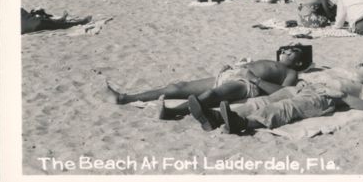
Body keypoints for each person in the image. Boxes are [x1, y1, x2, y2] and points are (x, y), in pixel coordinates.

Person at [107, 46, 312, 125]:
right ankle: (126, 97)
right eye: (285, 48)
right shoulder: (272, 60)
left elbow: (284, 93)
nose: (286, 50)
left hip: (247, 84)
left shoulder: (291, 72)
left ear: (299, 62)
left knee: (214, 94)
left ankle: (173, 112)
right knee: (178, 87)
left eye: (292, 51)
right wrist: (232, 67)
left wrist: (255, 79)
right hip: (232, 74)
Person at [192, 62, 363, 134]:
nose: (358, 67)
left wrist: (342, 95)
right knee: (262, 101)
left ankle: (242, 123)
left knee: (286, 107)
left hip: (324, 98)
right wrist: (302, 83)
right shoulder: (341, 72)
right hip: (305, 88)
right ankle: (217, 118)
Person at [21, 8, 91, 34]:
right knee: (60, 26)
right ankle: (81, 22)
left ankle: (61, 20)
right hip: (36, 23)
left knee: (50, 22)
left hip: (26, 28)